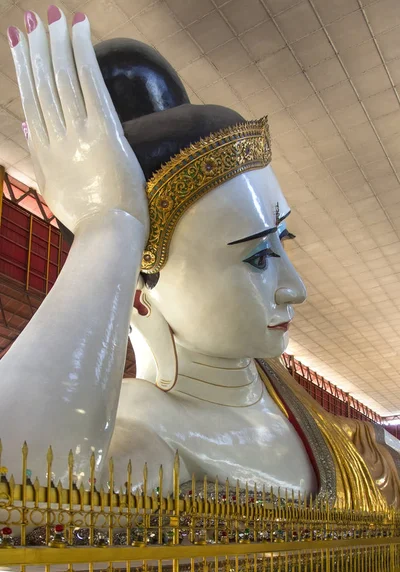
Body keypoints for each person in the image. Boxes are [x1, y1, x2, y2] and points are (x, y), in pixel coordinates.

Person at [1, 6, 399, 510]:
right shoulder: (149, 430)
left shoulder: (296, 406)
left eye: (283, 238)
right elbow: (24, 506)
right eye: (256, 258)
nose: (295, 287)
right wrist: (111, 228)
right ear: (139, 297)